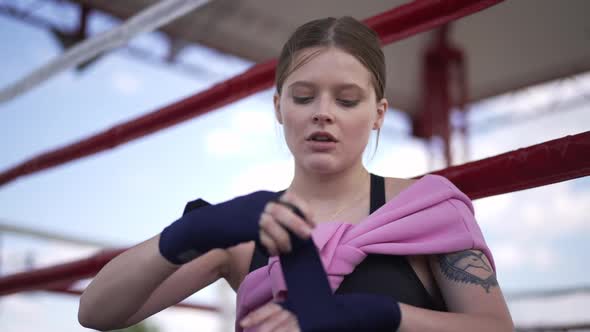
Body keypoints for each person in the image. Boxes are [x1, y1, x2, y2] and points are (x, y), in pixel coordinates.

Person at [78, 16, 514, 332]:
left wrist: (382, 315)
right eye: (304, 97)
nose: (323, 114)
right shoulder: (244, 231)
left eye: (347, 101)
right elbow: (96, 313)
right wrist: (192, 229)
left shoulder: (426, 208)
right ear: (278, 107)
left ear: (378, 114)